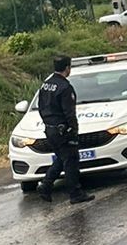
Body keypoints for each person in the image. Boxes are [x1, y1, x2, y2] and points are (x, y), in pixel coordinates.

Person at [34, 55, 94, 204]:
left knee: (62, 158)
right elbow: (69, 112)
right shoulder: (65, 87)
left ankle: (46, 185)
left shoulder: (45, 85)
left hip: (50, 129)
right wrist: (74, 130)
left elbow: (41, 107)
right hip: (63, 130)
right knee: (71, 161)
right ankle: (75, 193)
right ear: (67, 68)